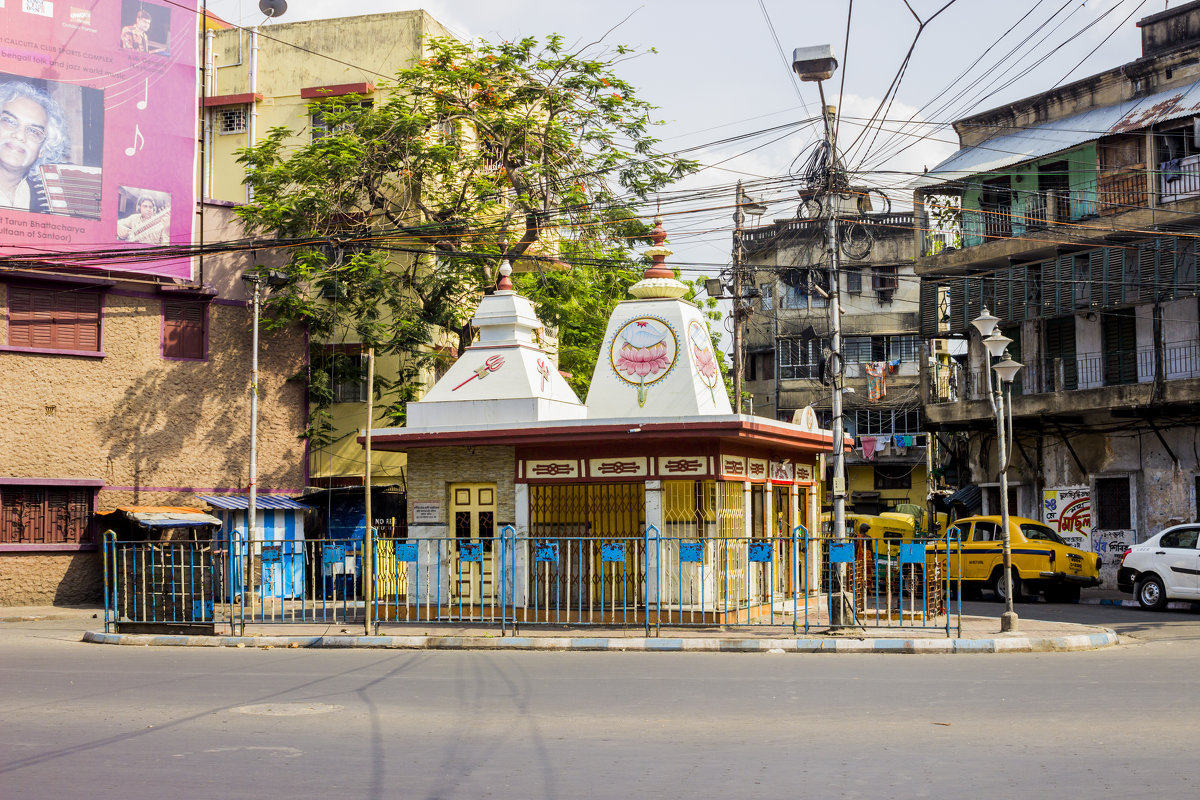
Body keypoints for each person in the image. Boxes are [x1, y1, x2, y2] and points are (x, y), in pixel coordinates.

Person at [0, 81, 68, 213]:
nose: (20, 136)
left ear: (42, 150)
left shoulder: (53, 204)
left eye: (34, 131)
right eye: (9, 121)